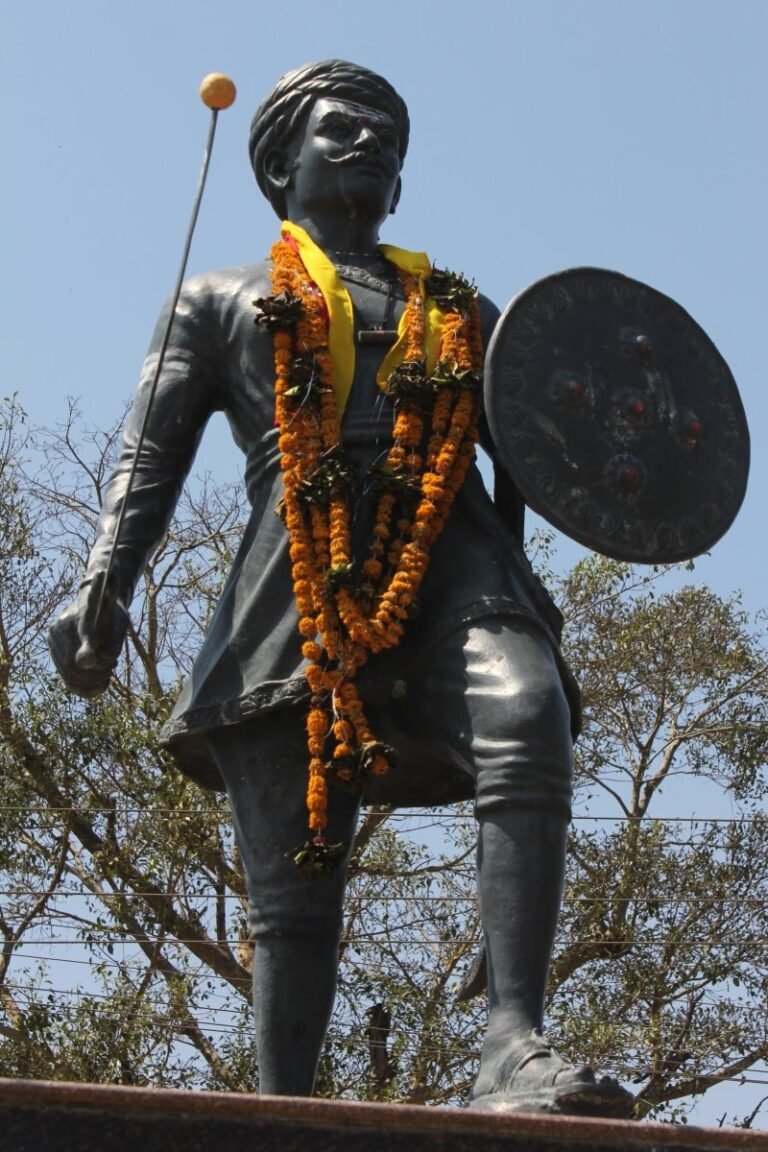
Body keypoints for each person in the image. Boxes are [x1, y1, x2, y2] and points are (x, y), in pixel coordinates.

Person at [49, 60, 631, 1116]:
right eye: (342, 128)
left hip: (444, 553)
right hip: (294, 583)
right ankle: (285, 1115)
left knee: (526, 707)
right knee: (295, 884)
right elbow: (148, 457)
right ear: (281, 165)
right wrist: (104, 583)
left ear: (402, 184)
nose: (370, 143)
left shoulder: (462, 311)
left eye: (387, 137)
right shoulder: (218, 299)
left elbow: (559, 444)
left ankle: (512, 1040)